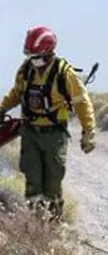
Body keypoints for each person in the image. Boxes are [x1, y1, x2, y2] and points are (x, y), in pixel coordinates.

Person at [0, 26, 96, 219]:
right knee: (32, 179)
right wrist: (2, 109)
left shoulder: (65, 74)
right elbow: (16, 94)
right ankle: (36, 223)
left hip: (55, 134)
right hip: (30, 131)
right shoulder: (26, 70)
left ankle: (53, 223)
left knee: (53, 180)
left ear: (49, 52)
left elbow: (82, 104)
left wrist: (88, 133)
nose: (34, 60)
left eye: (37, 56)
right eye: (31, 56)